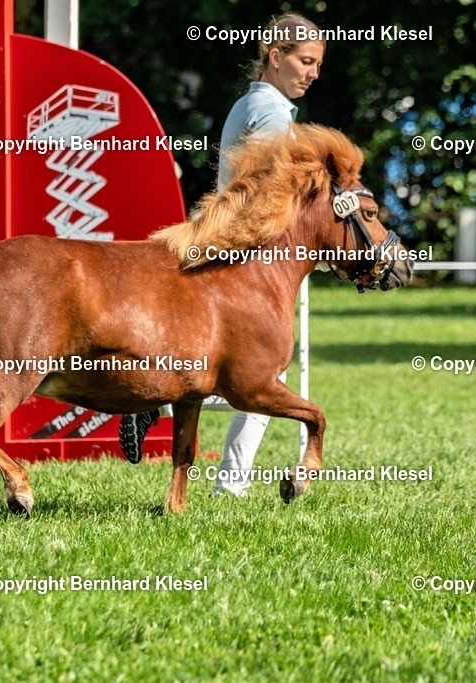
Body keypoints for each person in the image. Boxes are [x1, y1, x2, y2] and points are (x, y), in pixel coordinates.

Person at [120, 13, 325, 497]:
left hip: (224, 241)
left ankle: (159, 407)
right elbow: (272, 195)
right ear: (276, 57)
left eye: (318, 64)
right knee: (261, 375)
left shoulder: (250, 103)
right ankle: (228, 482)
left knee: (239, 371)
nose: (314, 72)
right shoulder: (273, 112)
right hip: (248, 253)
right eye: (306, 61)